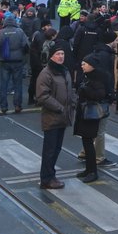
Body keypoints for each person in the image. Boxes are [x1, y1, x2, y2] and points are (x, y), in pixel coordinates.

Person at [35, 45, 77, 190]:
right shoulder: (46, 73)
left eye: (63, 53)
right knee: (50, 150)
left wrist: (73, 103)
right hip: (52, 117)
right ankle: (46, 178)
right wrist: (59, 107)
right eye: (58, 54)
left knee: (56, 149)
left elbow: (69, 90)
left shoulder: (64, 71)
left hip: (63, 117)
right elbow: (42, 96)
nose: (61, 56)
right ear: (51, 56)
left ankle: (50, 175)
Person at [74, 54, 108, 183]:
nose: (82, 65)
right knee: (86, 142)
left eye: (85, 64)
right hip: (85, 113)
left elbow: (99, 95)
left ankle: (92, 171)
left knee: (89, 143)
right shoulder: (88, 76)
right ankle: (89, 169)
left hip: (91, 114)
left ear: (92, 66)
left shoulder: (97, 78)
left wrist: (85, 89)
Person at [0, 9, 29, 115]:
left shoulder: (1, 32)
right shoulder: (20, 32)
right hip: (17, 61)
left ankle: (3, 106)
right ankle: (17, 105)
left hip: (5, 61)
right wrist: (23, 56)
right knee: (18, 84)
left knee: (4, 84)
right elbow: (26, 46)